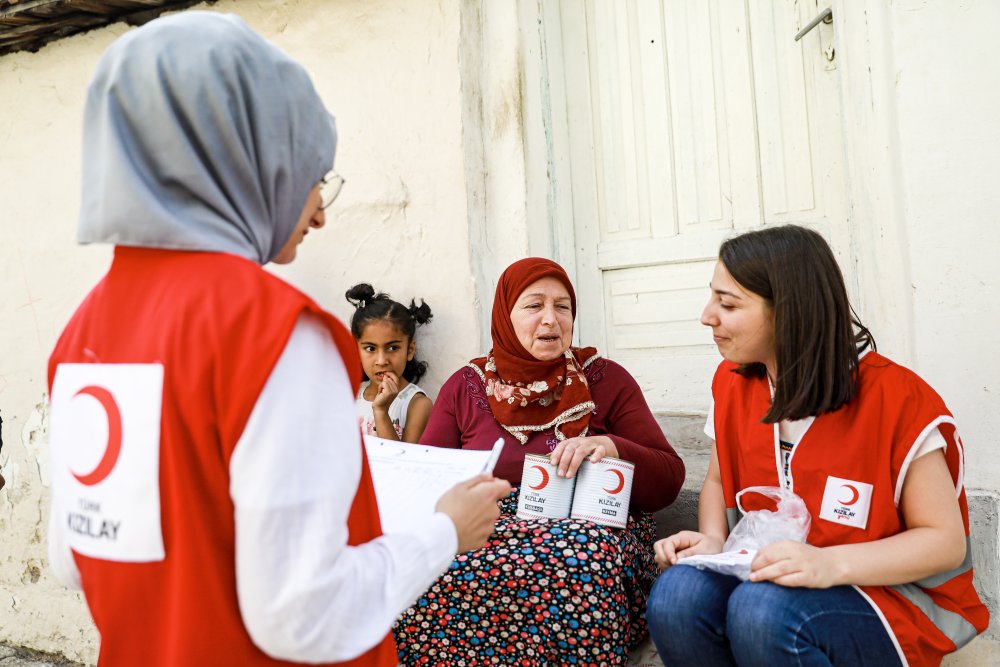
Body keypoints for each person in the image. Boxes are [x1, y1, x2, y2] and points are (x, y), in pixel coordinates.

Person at [45, 12, 510, 667]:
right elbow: (303, 617)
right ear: (239, 160)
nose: (320, 209)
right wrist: (444, 533)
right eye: (308, 172)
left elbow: (73, 557)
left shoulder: (81, 333)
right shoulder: (272, 331)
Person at [645, 225, 989, 666]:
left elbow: (943, 543)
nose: (707, 315)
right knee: (675, 595)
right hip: (777, 576)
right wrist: (713, 539)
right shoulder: (733, 383)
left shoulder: (897, 399)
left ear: (788, 311)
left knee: (762, 610)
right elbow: (716, 478)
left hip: (888, 594)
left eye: (728, 303)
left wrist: (829, 565)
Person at [393, 257, 686, 666]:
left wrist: (612, 446)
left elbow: (669, 479)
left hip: (588, 531)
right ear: (505, 314)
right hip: (490, 525)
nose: (551, 319)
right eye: (534, 306)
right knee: (425, 555)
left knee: (581, 555)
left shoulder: (605, 378)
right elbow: (426, 476)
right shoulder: (466, 386)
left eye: (562, 306)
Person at [346, 283, 433, 442]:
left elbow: (403, 463)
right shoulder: (350, 396)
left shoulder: (416, 404)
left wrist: (380, 411)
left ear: (410, 350)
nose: (381, 361)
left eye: (393, 348)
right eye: (370, 349)